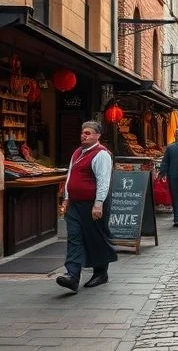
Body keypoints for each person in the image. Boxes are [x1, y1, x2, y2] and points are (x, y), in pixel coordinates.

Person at [56, 121, 117, 293]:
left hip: (93, 204)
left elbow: (103, 181)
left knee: (95, 237)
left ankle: (101, 273)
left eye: (88, 133)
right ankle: (72, 275)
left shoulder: (102, 154)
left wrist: (98, 203)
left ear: (98, 135)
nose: (84, 135)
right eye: (83, 132)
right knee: (74, 237)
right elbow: (70, 176)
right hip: (75, 204)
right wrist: (67, 198)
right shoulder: (77, 152)